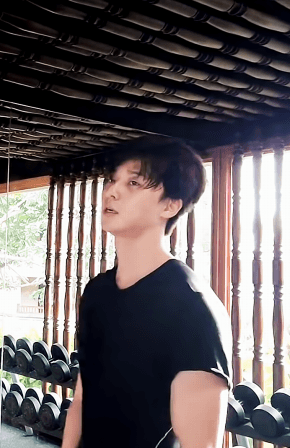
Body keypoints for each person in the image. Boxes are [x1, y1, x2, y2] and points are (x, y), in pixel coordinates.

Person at [62, 138, 232, 448]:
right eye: (112, 180)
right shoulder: (97, 292)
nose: (111, 191)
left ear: (170, 205)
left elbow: (200, 444)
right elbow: (83, 399)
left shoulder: (192, 308)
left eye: (133, 183)